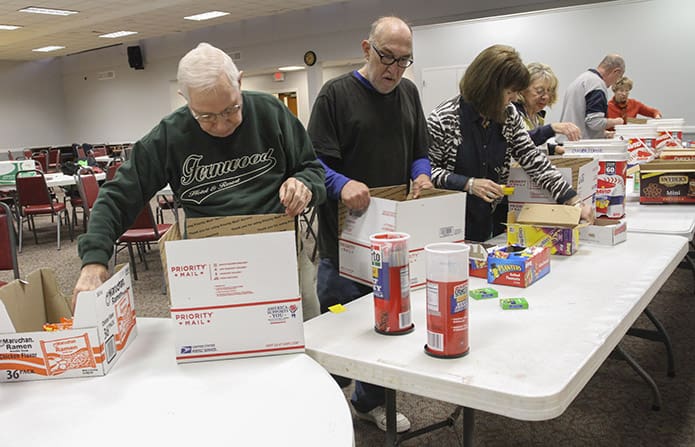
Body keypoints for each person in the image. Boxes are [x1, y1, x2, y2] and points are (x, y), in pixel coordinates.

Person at [73, 42, 326, 309]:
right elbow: (117, 197)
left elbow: (313, 170)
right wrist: (94, 260)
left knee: (305, 332)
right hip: (211, 265)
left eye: (231, 110)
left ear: (239, 83)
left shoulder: (270, 112)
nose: (221, 125)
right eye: (205, 116)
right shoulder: (170, 135)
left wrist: (304, 184)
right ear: (185, 98)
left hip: (278, 252)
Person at [307, 16, 432, 434]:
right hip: (343, 243)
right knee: (340, 335)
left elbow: (419, 150)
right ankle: (322, 410)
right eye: (387, 58)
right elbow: (312, 165)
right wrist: (341, 184)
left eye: (404, 61)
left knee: (387, 326)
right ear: (366, 48)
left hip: (391, 239)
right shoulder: (335, 96)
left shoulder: (408, 94)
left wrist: (421, 174)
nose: (394, 70)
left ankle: (368, 403)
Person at [427, 44, 593, 243]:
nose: (514, 98)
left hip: (493, 220)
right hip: (452, 225)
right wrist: (468, 184)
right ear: (488, 87)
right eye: (510, 92)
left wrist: (572, 199)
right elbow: (428, 173)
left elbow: (532, 158)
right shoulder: (443, 119)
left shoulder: (508, 115)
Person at [513, 62, 581, 155]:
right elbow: (519, 142)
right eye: (539, 91)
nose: (546, 96)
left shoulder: (537, 116)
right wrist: (551, 128)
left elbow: (534, 144)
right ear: (523, 89)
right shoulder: (513, 113)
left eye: (549, 91)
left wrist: (554, 148)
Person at [560, 54, 626, 139]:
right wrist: (616, 121)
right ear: (616, 71)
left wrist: (604, 134)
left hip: (567, 141)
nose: (615, 82)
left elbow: (581, 119)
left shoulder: (584, 78)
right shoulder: (597, 85)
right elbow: (595, 123)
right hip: (579, 146)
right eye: (618, 78)